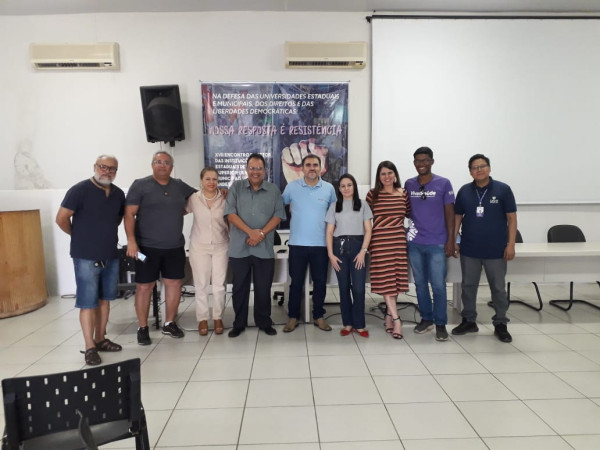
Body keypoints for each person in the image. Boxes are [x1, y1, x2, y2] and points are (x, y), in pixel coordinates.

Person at [56, 155, 125, 365]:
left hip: (110, 254)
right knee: (87, 303)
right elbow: (61, 218)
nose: (107, 171)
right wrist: (79, 236)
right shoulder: (80, 190)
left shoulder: (118, 194)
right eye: (103, 167)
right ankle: (89, 347)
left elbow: (118, 219)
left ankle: (101, 338)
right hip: (85, 255)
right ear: (95, 167)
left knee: (105, 300)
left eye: (112, 169)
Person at [125, 151, 196, 345]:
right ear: (152, 165)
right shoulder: (140, 185)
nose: (162, 165)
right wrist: (131, 241)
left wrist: (221, 190)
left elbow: (199, 198)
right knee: (144, 286)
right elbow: (129, 214)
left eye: (166, 162)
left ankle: (169, 323)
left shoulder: (179, 186)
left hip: (174, 246)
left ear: (172, 167)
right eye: (158, 162)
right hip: (146, 248)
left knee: (174, 284)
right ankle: (142, 327)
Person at [452, 153, 517, 343]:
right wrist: (453, 240)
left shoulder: (503, 189)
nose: (478, 170)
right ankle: (469, 320)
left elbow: (512, 219)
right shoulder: (464, 191)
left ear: (489, 168)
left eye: (482, 166)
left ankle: (500, 323)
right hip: (470, 249)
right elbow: (457, 218)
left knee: (497, 288)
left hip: (496, 250)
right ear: (470, 171)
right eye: (474, 167)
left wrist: (511, 244)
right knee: (468, 287)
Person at [225, 153, 285, 337]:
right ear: (246, 169)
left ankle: (264, 322)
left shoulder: (273, 190)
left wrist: (260, 234)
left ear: (265, 170)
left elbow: (278, 215)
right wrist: (251, 232)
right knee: (239, 289)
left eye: (259, 168)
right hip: (239, 248)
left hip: (263, 248)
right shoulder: (236, 187)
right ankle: (239, 323)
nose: (255, 172)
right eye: (252, 168)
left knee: (263, 288)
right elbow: (230, 214)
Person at [404, 147, 455, 341]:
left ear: (432, 161)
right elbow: (406, 210)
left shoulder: (443, 183)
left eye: (425, 160)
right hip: (415, 243)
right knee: (419, 284)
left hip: (437, 244)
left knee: (438, 285)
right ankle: (426, 318)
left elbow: (450, 214)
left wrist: (450, 240)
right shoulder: (409, 184)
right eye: (417, 161)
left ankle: (440, 323)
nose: (421, 164)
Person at [282, 154, 337, 332]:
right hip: (297, 244)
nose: (311, 168)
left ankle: (318, 316)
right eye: (308, 165)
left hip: (321, 245)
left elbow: (336, 216)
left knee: (320, 283)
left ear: (320, 168)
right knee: (296, 283)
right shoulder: (292, 187)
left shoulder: (328, 189)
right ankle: (292, 317)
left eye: (315, 165)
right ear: (303, 168)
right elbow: (277, 206)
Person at [366, 161, 411, 340]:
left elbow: (408, 214)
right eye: (383, 174)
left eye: (390, 173)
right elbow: (365, 220)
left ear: (395, 175)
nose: (387, 177)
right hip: (380, 242)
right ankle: (397, 319)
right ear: (379, 177)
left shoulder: (404, 194)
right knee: (386, 282)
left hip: (398, 241)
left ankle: (388, 316)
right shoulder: (372, 195)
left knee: (396, 281)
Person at [326, 174, 373, 337]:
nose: (346, 188)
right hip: (339, 249)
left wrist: (363, 251)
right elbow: (330, 231)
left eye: (349, 185)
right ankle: (347, 323)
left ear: (354, 187)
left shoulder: (363, 205)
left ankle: (359, 325)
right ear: (339, 189)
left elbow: (368, 230)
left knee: (359, 288)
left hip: (358, 248)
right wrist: (331, 254)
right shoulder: (334, 206)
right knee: (343, 287)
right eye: (343, 186)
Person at [185, 167, 229, 336]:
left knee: (219, 285)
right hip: (199, 246)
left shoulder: (225, 197)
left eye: (214, 179)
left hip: (221, 245)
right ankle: (202, 319)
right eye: (208, 179)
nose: (211, 183)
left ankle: (218, 317)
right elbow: (180, 212)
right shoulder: (193, 199)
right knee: (201, 284)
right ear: (201, 181)